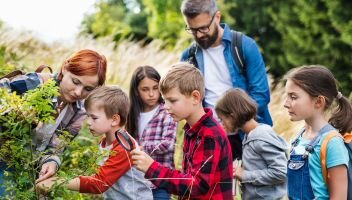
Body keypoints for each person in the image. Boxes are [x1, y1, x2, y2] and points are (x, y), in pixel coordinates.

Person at [0, 49, 107, 195]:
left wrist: (51, 161)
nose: (78, 92)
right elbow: (2, 91)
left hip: (26, 169)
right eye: (75, 81)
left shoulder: (78, 111)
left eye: (87, 89)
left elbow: (56, 146)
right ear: (64, 68)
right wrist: (14, 110)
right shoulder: (37, 84)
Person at [179, 0, 272, 163]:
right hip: (209, 137)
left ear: (217, 17)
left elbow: (261, 95)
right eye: (193, 30)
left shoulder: (244, 46)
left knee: (253, 186)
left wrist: (232, 122)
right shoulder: (188, 57)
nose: (199, 35)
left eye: (203, 28)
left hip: (249, 134)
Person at [131, 63, 233, 199]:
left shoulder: (208, 134)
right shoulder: (192, 130)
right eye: (165, 100)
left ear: (195, 97)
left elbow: (196, 185)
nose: (166, 107)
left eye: (172, 100)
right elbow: (189, 177)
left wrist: (152, 168)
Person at [36, 86, 153, 199]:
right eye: (88, 116)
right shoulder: (105, 142)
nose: (88, 122)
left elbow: (99, 183)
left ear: (114, 120)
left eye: (94, 118)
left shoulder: (124, 147)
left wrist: (56, 182)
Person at [284, 65, 351, 199]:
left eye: (294, 97)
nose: (286, 103)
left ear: (319, 101)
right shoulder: (298, 138)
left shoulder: (332, 143)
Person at [215, 88, 288, 200]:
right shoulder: (249, 136)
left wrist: (245, 175)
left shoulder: (261, 137)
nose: (222, 124)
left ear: (232, 116)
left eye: (222, 119)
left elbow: (281, 172)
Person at [126, 66, 177, 200]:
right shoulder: (131, 114)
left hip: (160, 182)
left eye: (155, 88)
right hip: (136, 182)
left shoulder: (167, 112)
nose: (151, 94)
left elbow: (168, 144)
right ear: (136, 91)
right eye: (145, 89)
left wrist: (140, 148)